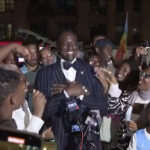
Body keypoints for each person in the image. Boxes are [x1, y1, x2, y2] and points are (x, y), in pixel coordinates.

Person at [35, 31, 108, 150]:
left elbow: (104, 107)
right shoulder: (45, 74)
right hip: (58, 140)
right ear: (57, 47)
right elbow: (42, 111)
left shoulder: (91, 71)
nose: (70, 47)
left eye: (73, 43)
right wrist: (66, 93)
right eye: (65, 44)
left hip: (87, 142)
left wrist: (81, 95)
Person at [20, 42, 40, 113]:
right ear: (24, 55)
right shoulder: (18, 74)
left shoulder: (46, 71)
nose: (33, 56)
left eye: (35, 52)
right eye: (29, 53)